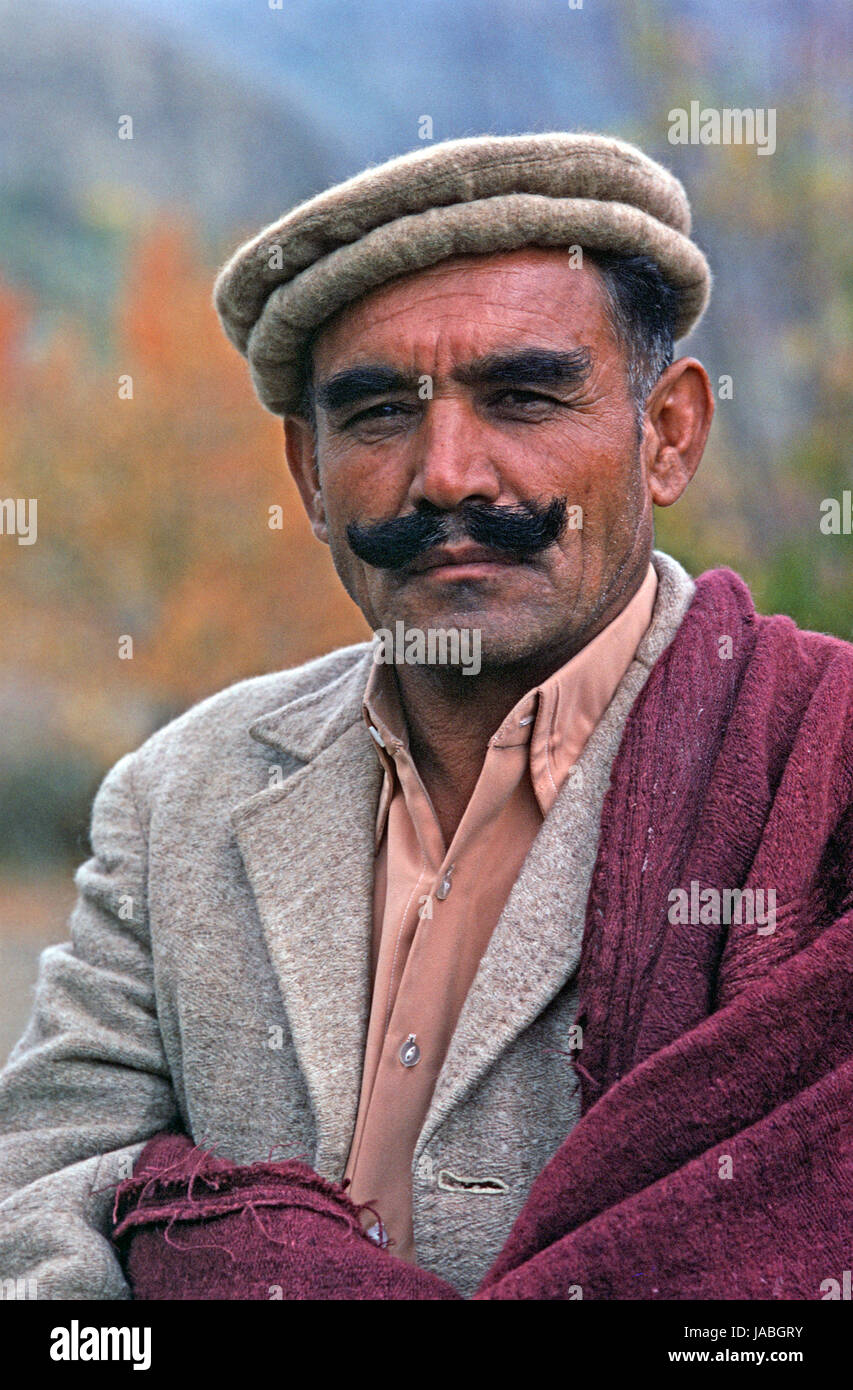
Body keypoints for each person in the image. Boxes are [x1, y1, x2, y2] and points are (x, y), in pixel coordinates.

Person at [1, 133, 850, 1301]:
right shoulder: (177, 796)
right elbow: (46, 1185)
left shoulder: (821, 765)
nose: (447, 472)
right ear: (307, 472)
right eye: (378, 414)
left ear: (668, 435)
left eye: (523, 396)